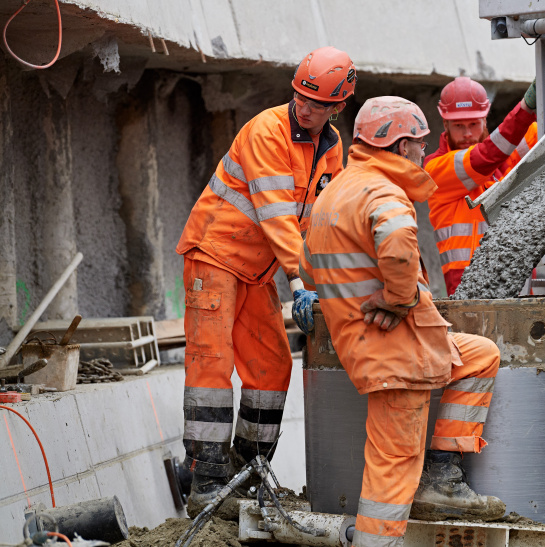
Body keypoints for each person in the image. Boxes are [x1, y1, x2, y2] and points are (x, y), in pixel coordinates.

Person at [299, 97, 504, 546]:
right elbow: (395, 246)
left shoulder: (334, 192)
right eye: (421, 143)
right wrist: (398, 298)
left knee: (481, 356)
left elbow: (309, 270)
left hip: (387, 344)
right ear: (402, 143)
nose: (424, 153)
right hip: (395, 351)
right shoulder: (384, 191)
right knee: (390, 476)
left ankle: (441, 475)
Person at [175, 46, 356, 515]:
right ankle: (206, 481)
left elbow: (321, 220)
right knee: (212, 369)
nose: (304, 106)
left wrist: (330, 279)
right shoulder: (267, 131)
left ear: (338, 107)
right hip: (215, 255)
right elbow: (277, 214)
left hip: (255, 270)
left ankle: (245, 471)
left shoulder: (332, 148)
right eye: (300, 95)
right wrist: (300, 281)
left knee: (273, 367)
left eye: (316, 103)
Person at [425, 69, 545, 295]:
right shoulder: (437, 170)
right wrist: (526, 108)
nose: (467, 134)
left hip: (517, 289)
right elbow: (485, 156)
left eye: (473, 124)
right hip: (470, 293)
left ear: (484, 120)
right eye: (459, 126)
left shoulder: (501, 164)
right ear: (445, 125)